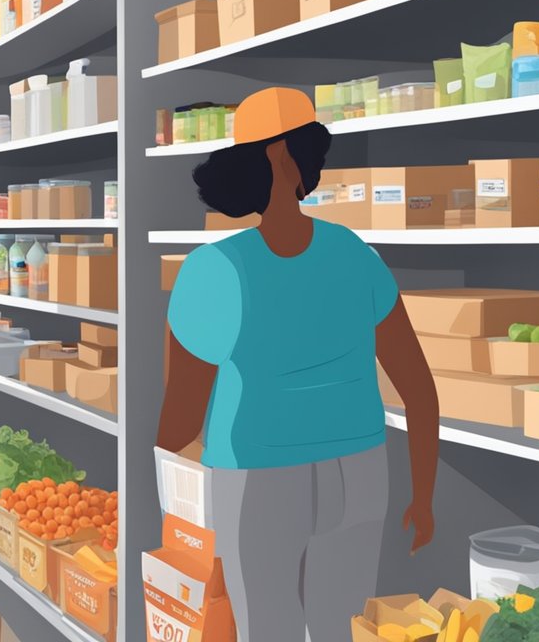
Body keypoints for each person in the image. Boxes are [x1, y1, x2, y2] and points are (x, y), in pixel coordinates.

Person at [156, 87, 440, 642]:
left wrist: (171, 509)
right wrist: (423, 498)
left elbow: (180, 421)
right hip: (361, 472)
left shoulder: (214, 269)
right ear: (288, 156)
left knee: (267, 631)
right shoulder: (358, 255)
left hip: (257, 480)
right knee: (341, 631)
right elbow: (420, 391)